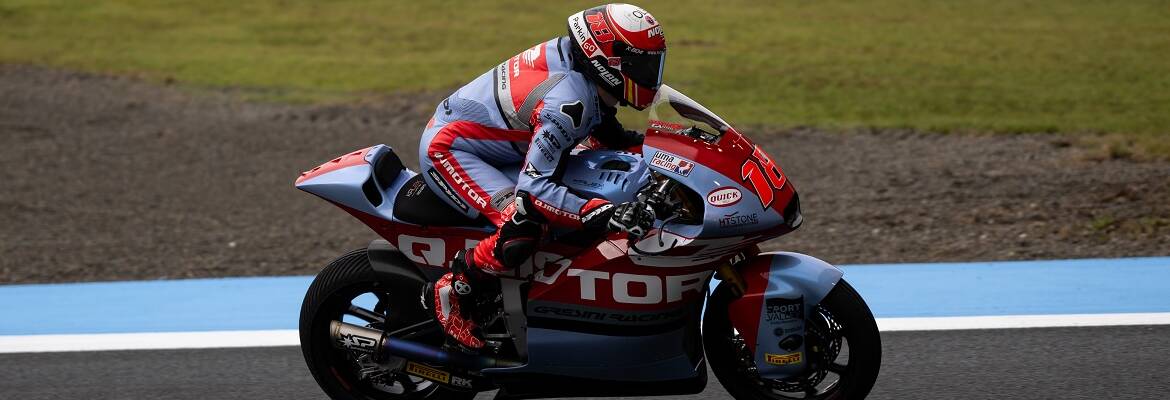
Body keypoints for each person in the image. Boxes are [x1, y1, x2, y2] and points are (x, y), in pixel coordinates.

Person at [418, 3, 667, 350]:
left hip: (502, 146)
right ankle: (453, 289)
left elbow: (604, 126)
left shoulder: (583, 72)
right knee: (525, 223)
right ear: (607, 60)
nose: (650, 73)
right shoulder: (566, 102)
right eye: (641, 64)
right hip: (452, 150)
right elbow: (534, 190)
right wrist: (601, 212)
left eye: (654, 62)